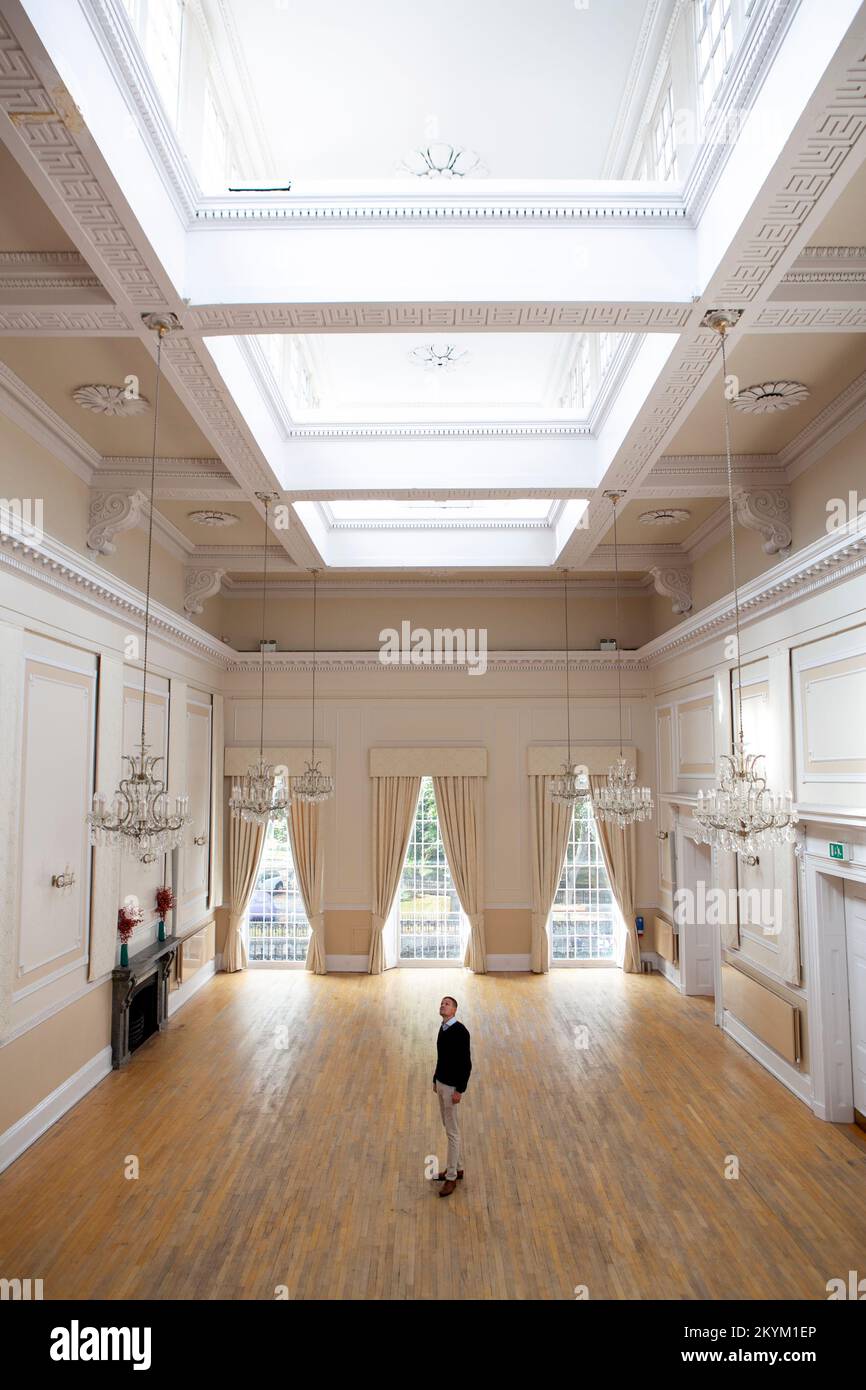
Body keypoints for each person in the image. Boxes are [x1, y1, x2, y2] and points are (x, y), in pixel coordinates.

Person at [432, 995, 472, 1197]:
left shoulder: (460, 1032)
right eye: (441, 1003)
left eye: (447, 1004)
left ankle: (451, 1177)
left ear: (455, 1010)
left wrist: (459, 1090)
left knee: (452, 1132)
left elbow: (466, 1064)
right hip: (441, 1083)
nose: (442, 1005)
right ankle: (458, 1167)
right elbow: (441, 1057)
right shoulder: (443, 1027)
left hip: (451, 1088)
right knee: (449, 1127)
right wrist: (435, 1079)